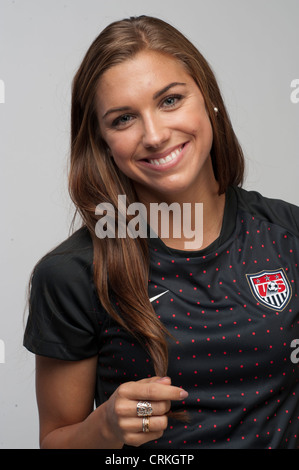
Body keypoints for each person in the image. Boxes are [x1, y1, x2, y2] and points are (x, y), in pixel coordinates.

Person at [23, 15, 299, 449]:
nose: (154, 135)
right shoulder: (72, 274)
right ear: (101, 141)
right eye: (123, 119)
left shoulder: (288, 234)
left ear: (208, 99)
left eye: (170, 100)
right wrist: (104, 428)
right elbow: (55, 440)